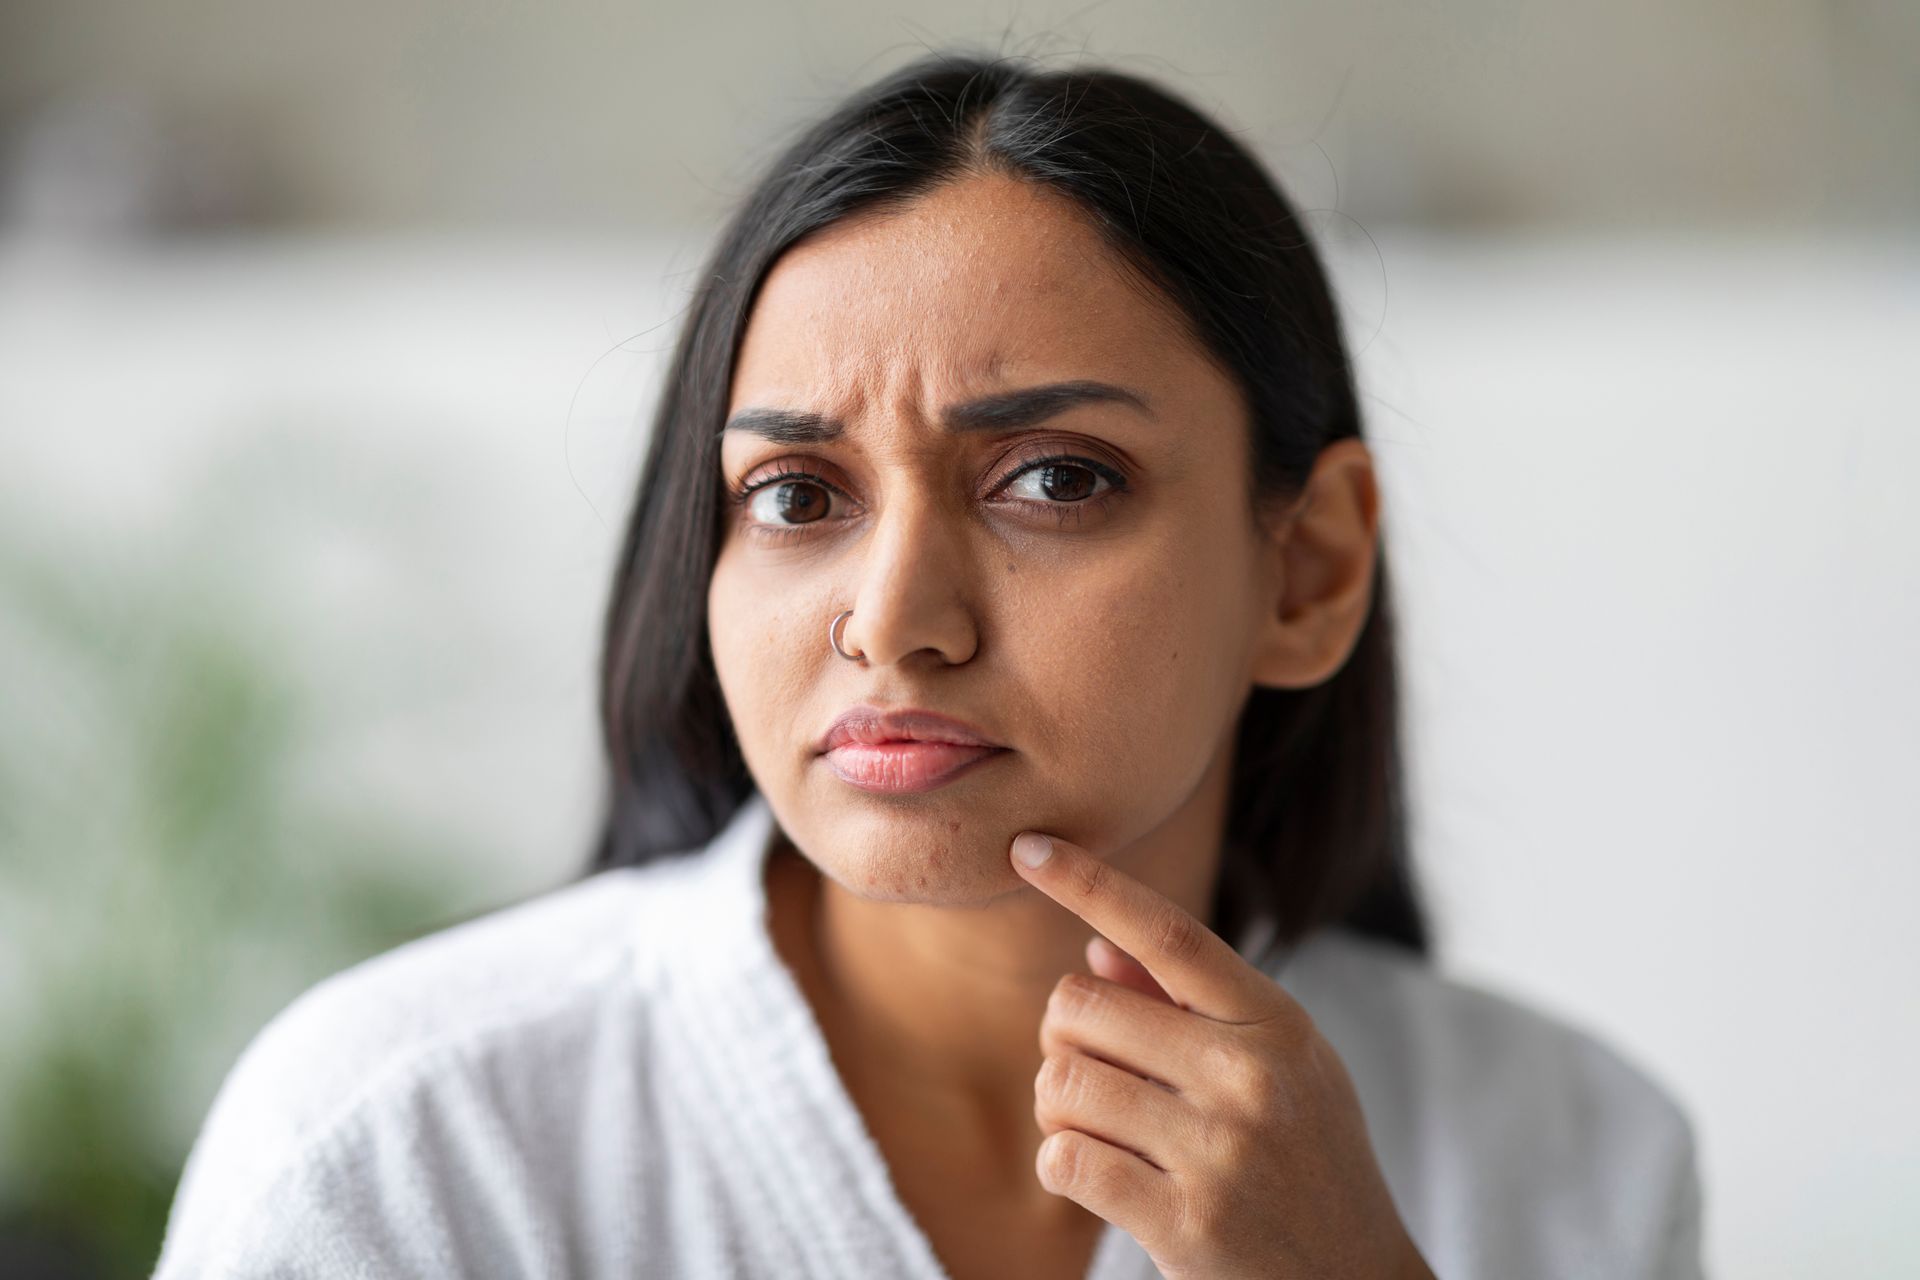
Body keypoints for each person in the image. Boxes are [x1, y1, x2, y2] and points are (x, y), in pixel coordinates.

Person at [152, 50, 1706, 1279]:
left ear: (1308, 569)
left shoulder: (1572, 1160)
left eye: (1055, 478)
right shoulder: (399, 1143)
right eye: (796, 498)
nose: (896, 620)